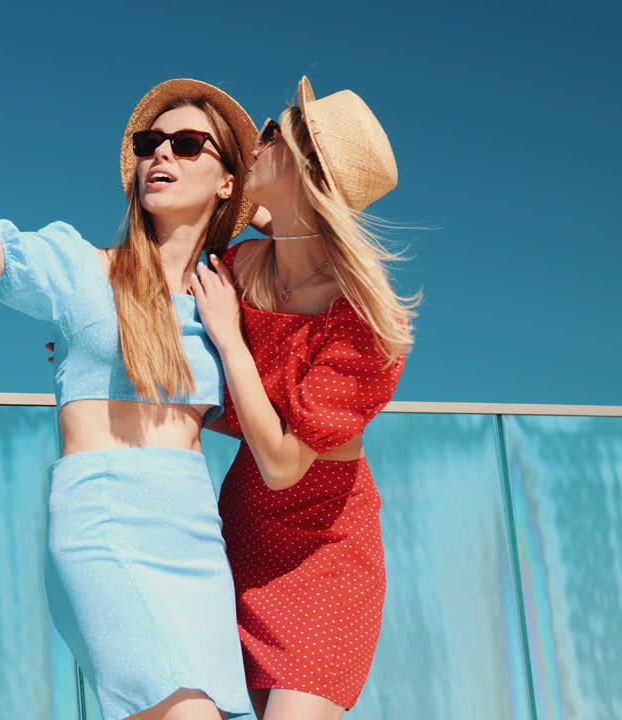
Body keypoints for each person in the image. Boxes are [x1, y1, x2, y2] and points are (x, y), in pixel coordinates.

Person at [0, 24, 255, 720]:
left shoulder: (228, 299)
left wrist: (258, 210)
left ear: (227, 180)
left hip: (193, 533)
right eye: (150, 144)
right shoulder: (79, 268)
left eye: (187, 145)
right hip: (104, 520)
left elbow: (313, 254)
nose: (161, 155)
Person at [189, 77, 418, 719]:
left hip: (327, 555)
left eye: (272, 132)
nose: (254, 140)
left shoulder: (363, 321)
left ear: (306, 167)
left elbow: (285, 464)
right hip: (242, 538)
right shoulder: (240, 267)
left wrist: (230, 341)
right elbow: (229, 411)